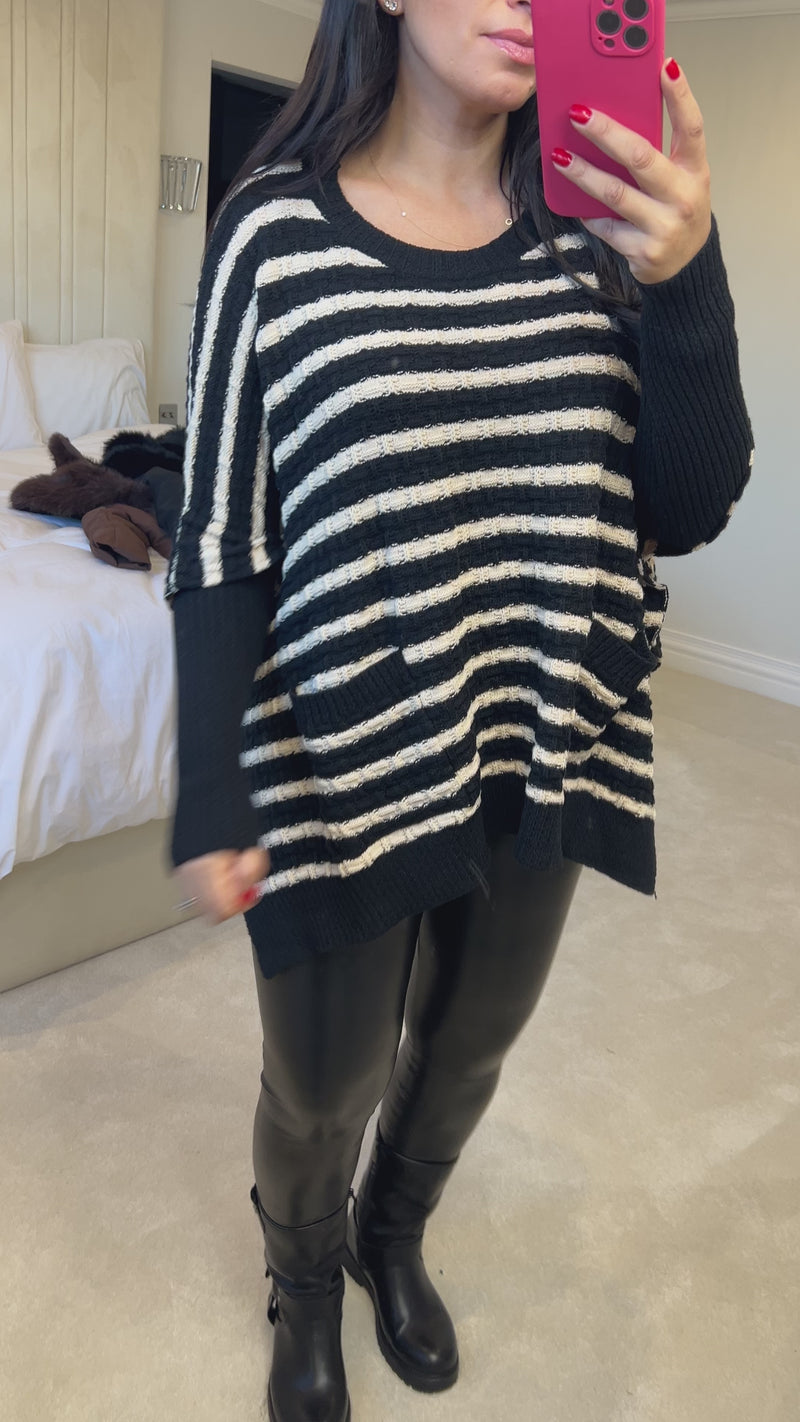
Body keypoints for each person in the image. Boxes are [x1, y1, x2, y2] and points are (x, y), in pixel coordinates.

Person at [167, 3, 754, 1419]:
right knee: (322, 1086)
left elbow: (688, 505)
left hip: (544, 728)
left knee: (470, 1044)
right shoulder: (271, 237)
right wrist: (212, 788)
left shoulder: (607, 234)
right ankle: (306, 1280)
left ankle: (392, 1232)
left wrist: (686, 277)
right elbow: (221, 532)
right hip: (338, 758)